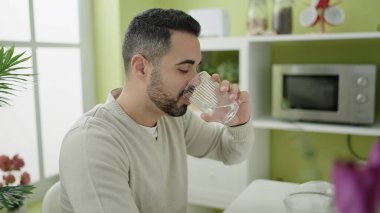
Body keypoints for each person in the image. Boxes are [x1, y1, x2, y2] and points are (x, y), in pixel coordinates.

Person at [59, 8, 253, 213]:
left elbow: (230, 152)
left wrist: (238, 122)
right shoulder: (92, 143)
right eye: (184, 69)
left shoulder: (173, 117)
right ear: (141, 67)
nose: (195, 82)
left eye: (196, 68)